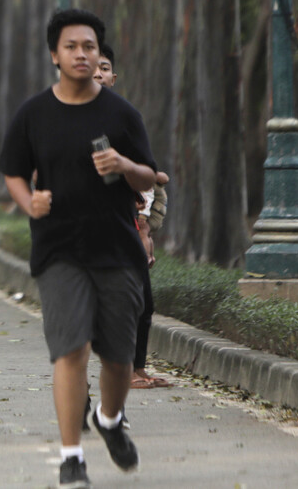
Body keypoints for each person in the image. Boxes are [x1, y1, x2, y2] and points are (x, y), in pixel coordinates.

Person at [0, 9, 156, 489]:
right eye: (72, 47)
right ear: (55, 55)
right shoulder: (34, 114)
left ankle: (109, 419)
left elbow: (151, 177)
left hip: (117, 250)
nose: (82, 54)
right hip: (59, 249)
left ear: (98, 53)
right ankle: (72, 458)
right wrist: (31, 202)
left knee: (118, 358)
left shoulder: (121, 113)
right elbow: (12, 171)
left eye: (89, 47)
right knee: (71, 351)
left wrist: (125, 163)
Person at [96, 45, 172, 390]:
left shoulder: (126, 118)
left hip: (131, 223)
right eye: (92, 66)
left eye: (105, 67)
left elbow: (150, 174)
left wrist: (145, 225)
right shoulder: (72, 119)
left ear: (114, 76)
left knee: (143, 300)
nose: (98, 73)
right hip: (94, 226)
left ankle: (137, 369)